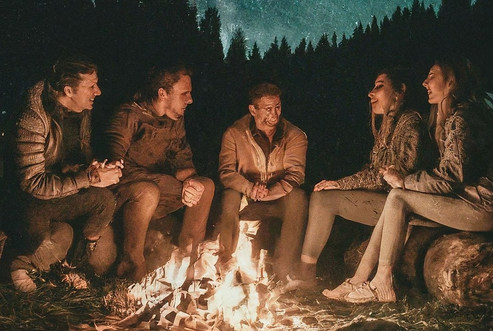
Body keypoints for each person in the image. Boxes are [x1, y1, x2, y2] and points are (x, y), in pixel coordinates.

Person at [336, 58, 493, 303]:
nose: (425, 82)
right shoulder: (453, 117)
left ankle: (382, 283)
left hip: (482, 208)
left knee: (397, 197)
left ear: (451, 81)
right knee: (394, 202)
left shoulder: (465, 119)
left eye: (431, 75)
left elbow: (451, 177)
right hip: (465, 201)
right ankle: (358, 280)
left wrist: (405, 181)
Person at [291, 67, 427, 292]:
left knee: (325, 200)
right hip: (387, 201)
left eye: (379, 87)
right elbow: (375, 169)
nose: (371, 93)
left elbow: (392, 176)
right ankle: (306, 275)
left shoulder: (409, 123)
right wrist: (343, 182)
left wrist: (341, 183)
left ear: (400, 91)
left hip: (402, 208)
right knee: (323, 197)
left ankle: (307, 276)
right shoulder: (388, 124)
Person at [7, 56, 120, 293]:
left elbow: (75, 157)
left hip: (56, 192)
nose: (98, 92)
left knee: (104, 200)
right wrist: (89, 179)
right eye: (91, 86)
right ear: (68, 90)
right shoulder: (33, 116)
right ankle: (17, 263)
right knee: (43, 223)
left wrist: (93, 168)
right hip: (25, 199)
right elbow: (32, 183)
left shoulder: (81, 112)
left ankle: (77, 263)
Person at [104, 65, 215, 283]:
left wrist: (190, 182)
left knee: (205, 185)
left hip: (158, 191)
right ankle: (132, 263)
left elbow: (183, 161)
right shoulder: (128, 115)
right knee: (149, 191)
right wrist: (174, 186)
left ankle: (189, 257)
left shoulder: (175, 121)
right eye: (184, 94)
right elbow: (114, 164)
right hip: (123, 197)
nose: (190, 100)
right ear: (162, 93)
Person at [217, 82, 308, 282]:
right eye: (267, 109)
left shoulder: (295, 135)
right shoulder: (234, 134)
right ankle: (226, 260)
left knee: (298, 198)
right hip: (247, 198)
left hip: (278, 199)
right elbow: (226, 173)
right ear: (252, 109)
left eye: (277, 107)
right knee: (229, 195)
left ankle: (284, 269)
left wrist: (268, 193)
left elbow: (295, 176)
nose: (274, 114)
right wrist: (250, 189)